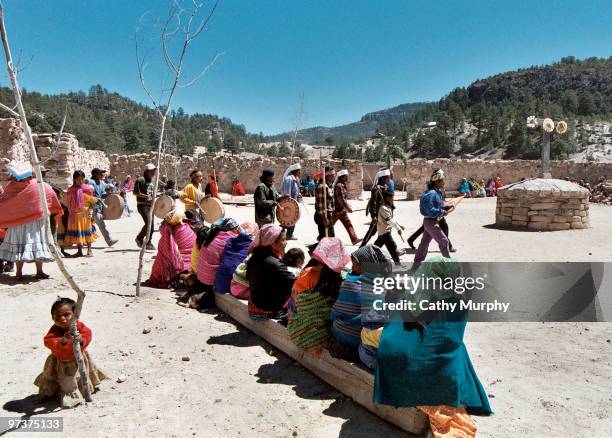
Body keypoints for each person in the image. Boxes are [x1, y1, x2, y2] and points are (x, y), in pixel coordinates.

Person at [373, 257, 492, 436]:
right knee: (459, 349)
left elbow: (393, 334)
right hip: (429, 375)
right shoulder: (456, 305)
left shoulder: (406, 297)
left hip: (392, 367)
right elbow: (449, 342)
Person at [34, 297, 106, 408]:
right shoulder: (54, 329)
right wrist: (63, 340)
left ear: (75, 314)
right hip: (61, 361)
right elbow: (48, 341)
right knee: (66, 380)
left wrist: (81, 339)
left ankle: (82, 391)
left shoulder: (79, 325)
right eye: (57, 316)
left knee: (81, 375)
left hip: (79, 358)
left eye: (66, 315)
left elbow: (88, 334)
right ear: (52, 317)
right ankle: (62, 394)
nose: (62, 319)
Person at [328, 244, 391, 364]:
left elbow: (334, 313)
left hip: (346, 345)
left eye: (355, 263)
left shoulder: (352, 285)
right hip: (369, 344)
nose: (352, 266)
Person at [287, 237, 350, 356]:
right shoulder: (342, 278)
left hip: (298, 330)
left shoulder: (307, 274)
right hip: (324, 334)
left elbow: (295, 301)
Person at [0, 161, 63, 279]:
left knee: (19, 247)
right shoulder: (40, 185)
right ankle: (39, 271)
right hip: (35, 223)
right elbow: (52, 199)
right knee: (37, 245)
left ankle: (19, 273)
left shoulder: (11, 187)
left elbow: (5, 203)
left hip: (17, 223)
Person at [246, 225, 295, 320]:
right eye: (283, 240)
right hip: (266, 310)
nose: (286, 243)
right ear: (272, 243)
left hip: (254, 306)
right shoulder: (274, 263)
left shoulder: (256, 256)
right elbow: (295, 282)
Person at [193, 218, 241, 308]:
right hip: (211, 280)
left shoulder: (213, 235)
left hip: (201, 276)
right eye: (236, 228)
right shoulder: (230, 238)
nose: (238, 230)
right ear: (232, 229)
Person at [143, 208, 196, 289]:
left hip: (174, 270)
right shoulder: (186, 230)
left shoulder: (167, 234)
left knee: (161, 258)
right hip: (187, 268)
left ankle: (168, 277)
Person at [408, 170, 455, 252]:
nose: (444, 182)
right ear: (437, 181)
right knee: (443, 227)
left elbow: (439, 203)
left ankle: (411, 239)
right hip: (434, 216)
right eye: (442, 180)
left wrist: (447, 206)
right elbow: (430, 209)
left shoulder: (438, 190)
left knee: (426, 229)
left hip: (435, 215)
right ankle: (448, 246)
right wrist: (443, 211)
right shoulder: (431, 193)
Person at [215, 222, 259, 294]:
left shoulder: (230, 241)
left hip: (220, 284)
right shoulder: (252, 247)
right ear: (254, 234)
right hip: (233, 286)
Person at [64, 171, 99, 258]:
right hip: (74, 214)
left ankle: (89, 249)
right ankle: (79, 251)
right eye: (78, 179)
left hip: (85, 214)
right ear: (74, 179)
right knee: (78, 232)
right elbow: (69, 202)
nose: (80, 181)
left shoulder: (87, 189)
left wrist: (92, 213)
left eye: (82, 179)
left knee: (87, 231)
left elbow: (92, 202)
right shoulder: (71, 190)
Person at [88, 168, 118, 248]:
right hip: (92, 208)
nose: (102, 175)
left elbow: (102, 195)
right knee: (101, 225)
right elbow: (89, 194)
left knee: (88, 225)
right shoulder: (91, 183)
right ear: (95, 174)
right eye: (100, 173)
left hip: (99, 208)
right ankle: (109, 241)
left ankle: (84, 241)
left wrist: (108, 194)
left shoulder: (101, 183)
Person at [361, 168, 391, 246]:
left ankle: (376, 250)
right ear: (383, 178)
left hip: (383, 215)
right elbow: (373, 203)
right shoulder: (377, 189)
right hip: (377, 216)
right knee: (372, 232)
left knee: (385, 233)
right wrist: (373, 216)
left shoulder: (386, 188)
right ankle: (361, 248)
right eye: (388, 177)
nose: (389, 179)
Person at [332, 169, 361, 245]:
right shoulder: (339, 186)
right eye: (346, 176)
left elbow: (344, 199)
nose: (347, 178)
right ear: (341, 177)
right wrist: (347, 208)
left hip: (342, 211)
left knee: (348, 224)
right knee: (330, 225)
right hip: (337, 211)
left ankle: (354, 239)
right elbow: (341, 200)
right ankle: (321, 238)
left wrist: (347, 207)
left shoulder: (343, 185)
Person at [375, 190, 403, 264]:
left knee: (376, 247)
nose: (393, 200)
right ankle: (398, 264)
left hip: (384, 230)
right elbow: (389, 220)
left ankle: (369, 257)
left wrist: (399, 225)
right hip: (384, 230)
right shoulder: (383, 208)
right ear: (387, 198)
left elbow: (391, 219)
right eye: (392, 198)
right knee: (392, 247)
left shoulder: (387, 207)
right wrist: (398, 229)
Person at [134, 163, 157, 250]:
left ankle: (148, 242)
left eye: (153, 171)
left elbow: (152, 193)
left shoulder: (153, 180)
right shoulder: (141, 180)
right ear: (146, 171)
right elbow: (135, 192)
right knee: (148, 223)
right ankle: (140, 238)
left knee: (151, 225)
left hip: (151, 205)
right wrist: (146, 196)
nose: (152, 172)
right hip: (142, 205)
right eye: (151, 171)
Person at [314, 166, 336, 240]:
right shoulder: (322, 187)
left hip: (328, 215)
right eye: (333, 175)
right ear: (328, 176)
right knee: (326, 238)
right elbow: (321, 205)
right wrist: (324, 218)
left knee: (330, 237)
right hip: (323, 216)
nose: (334, 176)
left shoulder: (329, 186)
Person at [281, 163, 302, 240]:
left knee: (293, 218)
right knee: (287, 218)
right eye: (299, 171)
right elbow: (287, 193)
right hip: (289, 203)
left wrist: (299, 195)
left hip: (294, 202)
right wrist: (289, 203)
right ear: (295, 171)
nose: (300, 173)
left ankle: (289, 234)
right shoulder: (289, 179)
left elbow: (297, 191)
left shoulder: (296, 179)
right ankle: (284, 234)